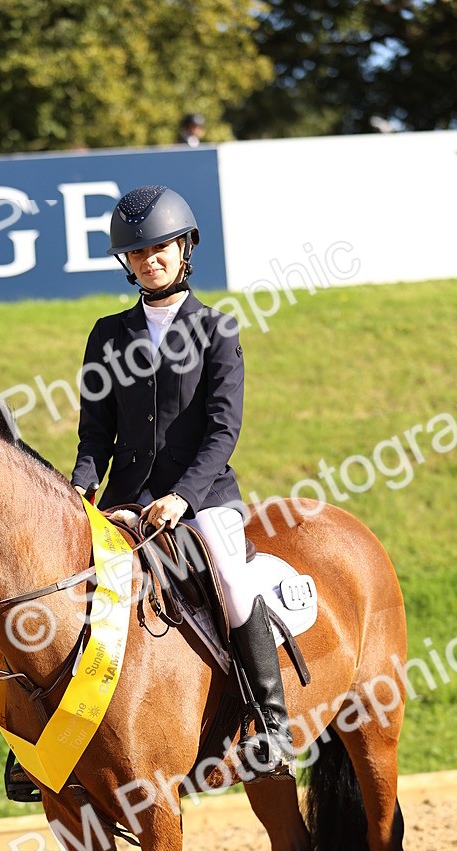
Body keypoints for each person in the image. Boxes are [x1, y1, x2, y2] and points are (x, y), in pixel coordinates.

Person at [70, 185, 295, 776]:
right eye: (138, 252)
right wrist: (81, 486)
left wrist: (182, 497)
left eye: (160, 247)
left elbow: (223, 430)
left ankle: (269, 723)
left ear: (184, 247)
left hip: (203, 499)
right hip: (124, 502)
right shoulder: (107, 334)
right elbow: (95, 433)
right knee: (66, 592)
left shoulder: (217, 329)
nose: (149, 260)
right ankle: (54, 745)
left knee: (231, 580)